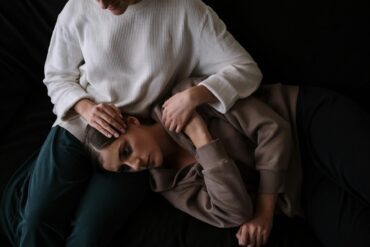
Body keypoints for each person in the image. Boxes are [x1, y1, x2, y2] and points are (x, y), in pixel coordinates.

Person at [0, 0, 262, 246]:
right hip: (80, 122)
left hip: (135, 140)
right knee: (35, 220)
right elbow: (56, 76)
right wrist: (86, 108)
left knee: (88, 236)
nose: (101, 4)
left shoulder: (186, 10)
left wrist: (193, 96)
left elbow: (246, 70)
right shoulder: (79, 7)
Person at [84, 77, 370, 247]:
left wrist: (265, 209)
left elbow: (273, 129)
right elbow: (234, 212)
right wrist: (200, 136)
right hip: (301, 191)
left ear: (132, 122)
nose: (135, 165)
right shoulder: (169, 186)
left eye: (125, 151)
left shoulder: (185, 95)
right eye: (124, 169)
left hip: (305, 122)